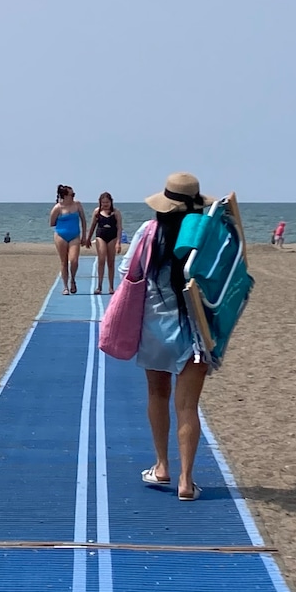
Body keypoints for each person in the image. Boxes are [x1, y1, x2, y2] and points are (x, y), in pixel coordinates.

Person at [120, 172, 213, 501]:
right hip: (196, 330)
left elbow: (128, 272)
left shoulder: (149, 231)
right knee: (188, 407)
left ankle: (162, 466)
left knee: (157, 395)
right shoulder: (208, 233)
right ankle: (187, 481)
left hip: (156, 327)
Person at [49, 184, 87, 295]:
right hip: (61, 235)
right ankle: (65, 286)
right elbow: (52, 223)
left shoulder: (77, 205)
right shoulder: (58, 208)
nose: (73, 196)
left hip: (75, 235)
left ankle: (73, 280)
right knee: (64, 261)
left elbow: (83, 220)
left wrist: (84, 236)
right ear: (65, 196)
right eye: (72, 195)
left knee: (74, 260)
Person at [85, 192, 123, 294]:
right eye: (103, 202)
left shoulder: (116, 212)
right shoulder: (97, 212)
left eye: (107, 202)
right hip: (100, 236)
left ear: (111, 202)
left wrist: (118, 242)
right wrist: (88, 238)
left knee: (111, 262)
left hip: (112, 237)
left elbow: (119, 228)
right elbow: (92, 226)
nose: (105, 204)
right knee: (101, 260)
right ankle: (99, 286)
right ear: (100, 202)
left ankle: (111, 287)